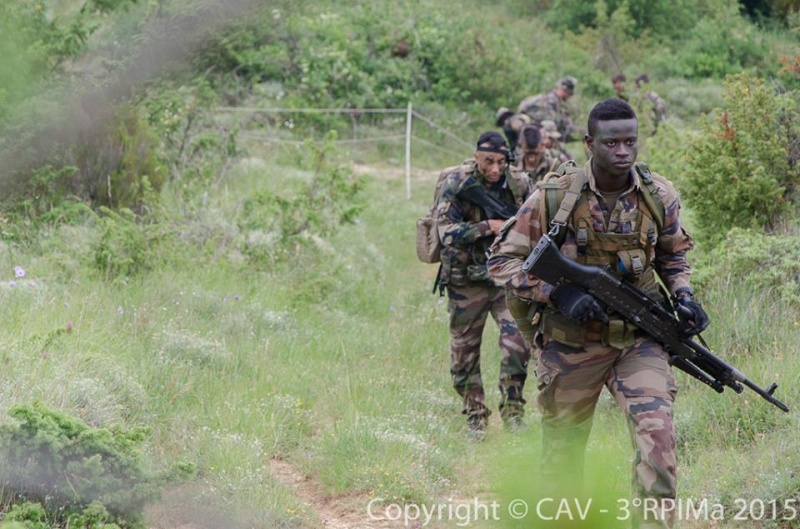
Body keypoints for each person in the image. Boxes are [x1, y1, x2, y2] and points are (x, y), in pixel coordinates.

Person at [487, 99, 709, 528]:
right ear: (590, 143)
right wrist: (555, 293)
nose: (623, 151)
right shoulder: (555, 196)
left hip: (638, 340)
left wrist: (684, 297)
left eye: (630, 141)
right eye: (612, 142)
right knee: (563, 459)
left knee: (658, 445)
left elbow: (674, 258)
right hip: (572, 342)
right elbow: (501, 262)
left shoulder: (658, 195)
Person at [435, 131, 532, 440]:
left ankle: (513, 412)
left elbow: (537, 225)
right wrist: (485, 227)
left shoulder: (519, 184)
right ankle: (476, 416)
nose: (494, 169)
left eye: (501, 162)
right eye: (488, 161)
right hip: (467, 280)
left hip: (506, 279)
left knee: (517, 346)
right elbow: (445, 233)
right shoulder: (456, 183)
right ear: (476, 156)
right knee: (464, 353)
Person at [517, 76, 581, 141]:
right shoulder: (551, 101)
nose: (569, 96)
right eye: (569, 93)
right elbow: (552, 122)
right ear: (563, 90)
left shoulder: (557, 101)